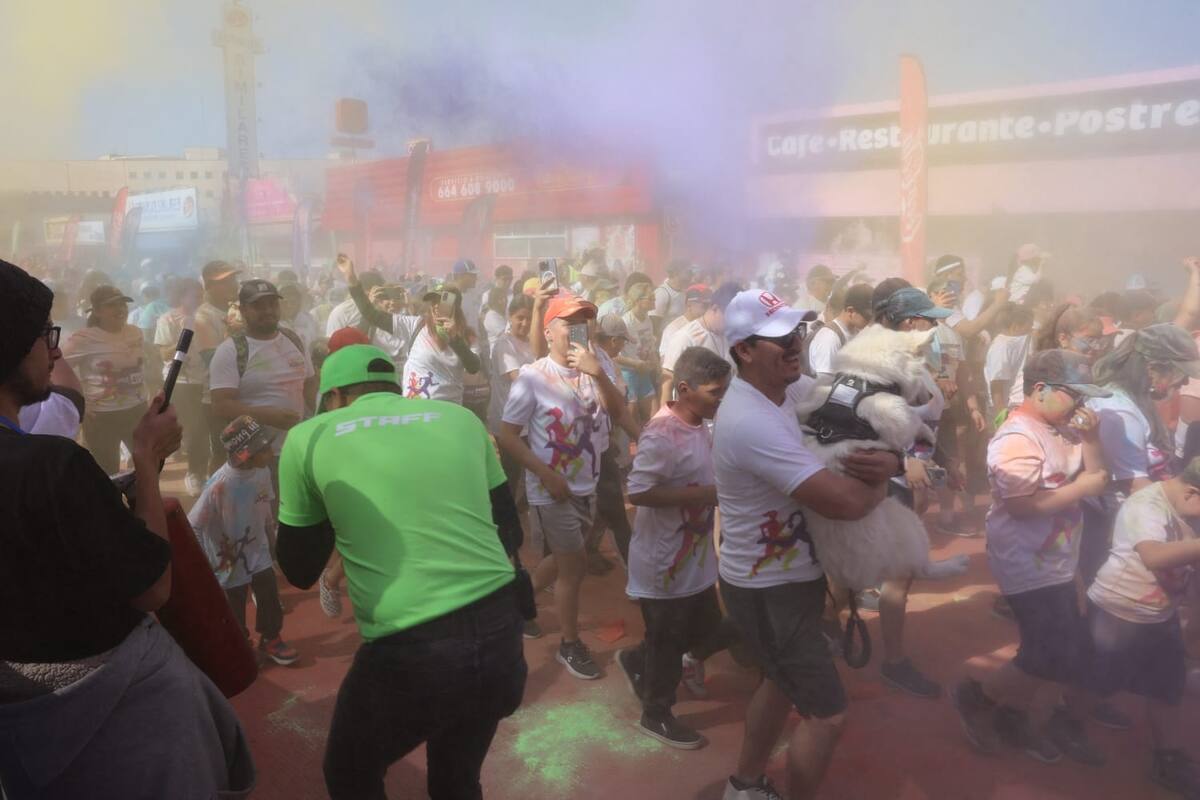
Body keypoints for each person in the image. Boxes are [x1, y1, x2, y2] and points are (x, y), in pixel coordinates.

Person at [0, 259, 254, 797]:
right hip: (123, 716)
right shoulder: (52, 465)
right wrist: (145, 459)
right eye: (43, 336)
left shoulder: (49, 466)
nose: (55, 350)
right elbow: (153, 586)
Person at [275, 344, 527, 799]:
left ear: (334, 397)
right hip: (499, 630)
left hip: (410, 647)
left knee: (350, 773)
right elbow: (509, 530)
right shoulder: (461, 420)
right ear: (393, 387)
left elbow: (298, 569)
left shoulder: (307, 437)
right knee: (457, 778)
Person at [714, 289, 902, 800]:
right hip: (768, 588)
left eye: (797, 331)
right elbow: (843, 501)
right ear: (745, 350)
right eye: (779, 338)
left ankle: (744, 786)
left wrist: (892, 451)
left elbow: (855, 407)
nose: (795, 343)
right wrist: (888, 477)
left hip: (783, 576)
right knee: (828, 714)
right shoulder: (748, 419)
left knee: (777, 683)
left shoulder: (788, 390)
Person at [953, 350, 1110, 766]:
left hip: (1058, 558)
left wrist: (1092, 442)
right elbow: (1022, 505)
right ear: (1040, 389)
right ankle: (979, 701)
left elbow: (1100, 475)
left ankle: (1013, 713)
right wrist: (1084, 488)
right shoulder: (1017, 436)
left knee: (1061, 650)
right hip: (1025, 560)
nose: (1081, 406)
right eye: (1073, 395)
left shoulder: (1064, 430)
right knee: (1047, 651)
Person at [497, 293, 626, 680]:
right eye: (569, 322)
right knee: (575, 566)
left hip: (586, 484)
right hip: (551, 489)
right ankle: (569, 645)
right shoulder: (533, 377)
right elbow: (507, 434)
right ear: (549, 330)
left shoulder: (594, 365)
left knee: (563, 560)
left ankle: (515, 605)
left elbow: (618, 413)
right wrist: (545, 474)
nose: (578, 329)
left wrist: (597, 372)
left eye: (585, 322)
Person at [616, 346, 734, 749]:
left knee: (710, 630)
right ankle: (656, 713)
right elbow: (640, 491)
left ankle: (636, 660)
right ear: (684, 389)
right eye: (715, 392)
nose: (722, 399)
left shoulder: (700, 424)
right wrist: (706, 494)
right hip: (663, 561)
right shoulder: (662, 434)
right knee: (668, 641)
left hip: (694, 558)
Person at [1087, 459, 1200, 798]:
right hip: (1118, 610)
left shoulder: (1184, 505)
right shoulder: (1146, 506)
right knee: (1097, 679)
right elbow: (1153, 556)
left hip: (1158, 613)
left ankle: (1166, 757)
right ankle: (1067, 718)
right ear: (1193, 492)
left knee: (1168, 685)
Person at [1080, 324, 1200, 586]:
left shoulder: (1135, 401)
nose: (1185, 382)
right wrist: (1184, 516)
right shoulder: (1119, 412)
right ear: (1152, 368)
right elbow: (1135, 485)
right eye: (1181, 373)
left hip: (1137, 522)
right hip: (1119, 532)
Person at [189, 415, 299, 666]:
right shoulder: (219, 485)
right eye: (264, 447)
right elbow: (193, 523)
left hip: (257, 549)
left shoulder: (261, 473)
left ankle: (271, 638)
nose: (271, 451)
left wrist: (274, 547)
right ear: (244, 453)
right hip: (227, 558)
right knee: (233, 604)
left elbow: (266, 512)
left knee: (269, 593)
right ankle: (240, 644)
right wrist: (201, 561)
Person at [209, 278, 318, 507]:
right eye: (259, 306)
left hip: (296, 449)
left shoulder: (293, 339)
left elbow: (309, 383)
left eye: (272, 304)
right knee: (261, 520)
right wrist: (268, 416)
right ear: (243, 310)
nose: (268, 311)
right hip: (255, 457)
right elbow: (221, 405)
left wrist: (320, 415)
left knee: (296, 513)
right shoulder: (230, 351)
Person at [62, 285, 148, 476]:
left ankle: (139, 505)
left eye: (122, 304)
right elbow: (56, 368)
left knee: (146, 465)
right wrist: (79, 401)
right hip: (101, 417)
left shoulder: (135, 332)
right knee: (107, 473)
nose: (120, 310)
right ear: (98, 311)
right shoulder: (84, 338)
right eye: (112, 306)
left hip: (137, 410)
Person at [400, 286, 483, 404]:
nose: (436, 306)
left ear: (455, 309)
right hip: (415, 409)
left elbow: (473, 367)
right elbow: (374, 316)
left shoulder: (467, 335)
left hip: (447, 410)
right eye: (434, 302)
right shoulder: (418, 326)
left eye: (442, 303)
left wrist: (455, 339)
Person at [659, 282, 739, 403]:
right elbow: (668, 381)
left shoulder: (730, 335)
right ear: (715, 308)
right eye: (730, 317)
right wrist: (665, 419)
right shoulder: (685, 337)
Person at [199, 260, 241, 475]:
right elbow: (211, 359)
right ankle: (212, 498)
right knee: (221, 452)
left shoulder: (239, 309)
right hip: (216, 397)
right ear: (209, 286)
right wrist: (232, 334)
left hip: (243, 393)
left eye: (233, 279)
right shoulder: (202, 316)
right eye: (225, 281)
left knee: (245, 450)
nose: (233, 284)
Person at [803, 281, 874, 378]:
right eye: (867, 317)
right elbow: (823, 384)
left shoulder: (856, 332)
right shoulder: (830, 338)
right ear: (850, 311)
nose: (870, 321)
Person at [620, 281, 660, 425]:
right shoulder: (625, 322)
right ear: (638, 300)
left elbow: (649, 344)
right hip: (628, 374)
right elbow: (613, 355)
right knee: (630, 416)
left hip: (644, 372)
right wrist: (635, 363)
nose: (654, 301)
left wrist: (656, 364)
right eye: (651, 298)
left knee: (655, 416)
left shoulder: (648, 319)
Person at [658, 284, 710, 356]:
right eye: (705, 306)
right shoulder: (674, 329)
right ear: (689, 305)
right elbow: (665, 361)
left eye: (710, 306)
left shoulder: (709, 325)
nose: (708, 310)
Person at [652, 260, 694, 334]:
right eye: (688, 272)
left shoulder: (683, 292)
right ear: (676, 273)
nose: (691, 275)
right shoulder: (662, 293)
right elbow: (654, 322)